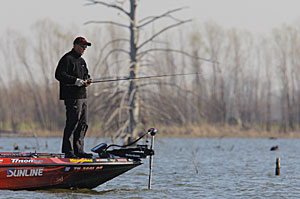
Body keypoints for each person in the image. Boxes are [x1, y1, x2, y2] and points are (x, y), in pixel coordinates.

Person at [55, 36, 93, 158]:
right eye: (82, 46)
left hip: (83, 96)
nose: (84, 49)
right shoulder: (67, 59)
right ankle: (69, 151)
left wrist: (87, 80)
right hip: (71, 97)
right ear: (75, 45)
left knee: (83, 123)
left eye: (85, 47)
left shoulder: (82, 61)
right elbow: (59, 75)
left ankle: (79, 151)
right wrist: (75, 80)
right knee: (73, 122)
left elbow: (86, 74)